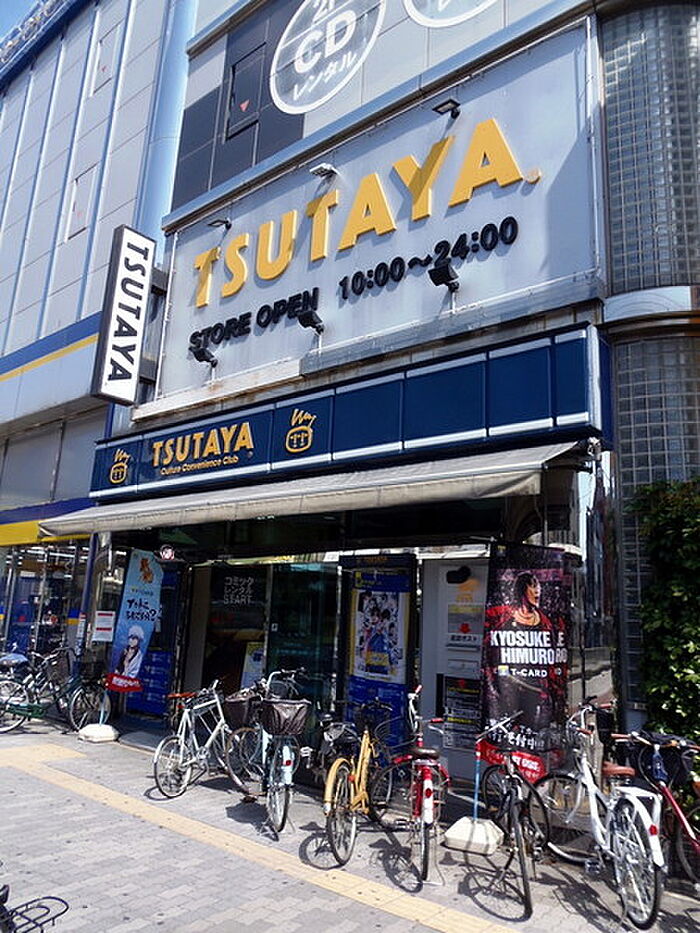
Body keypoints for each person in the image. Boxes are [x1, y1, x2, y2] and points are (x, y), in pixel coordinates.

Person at [482, 571, 567, 744]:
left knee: (531, 736)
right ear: (522, 589)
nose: (538, 591)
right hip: (506, 693)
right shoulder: (500, 617)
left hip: (537, 694)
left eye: (539, 586)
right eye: (533, 586)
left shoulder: (547, 623)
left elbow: (554, 660)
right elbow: (486, 650)